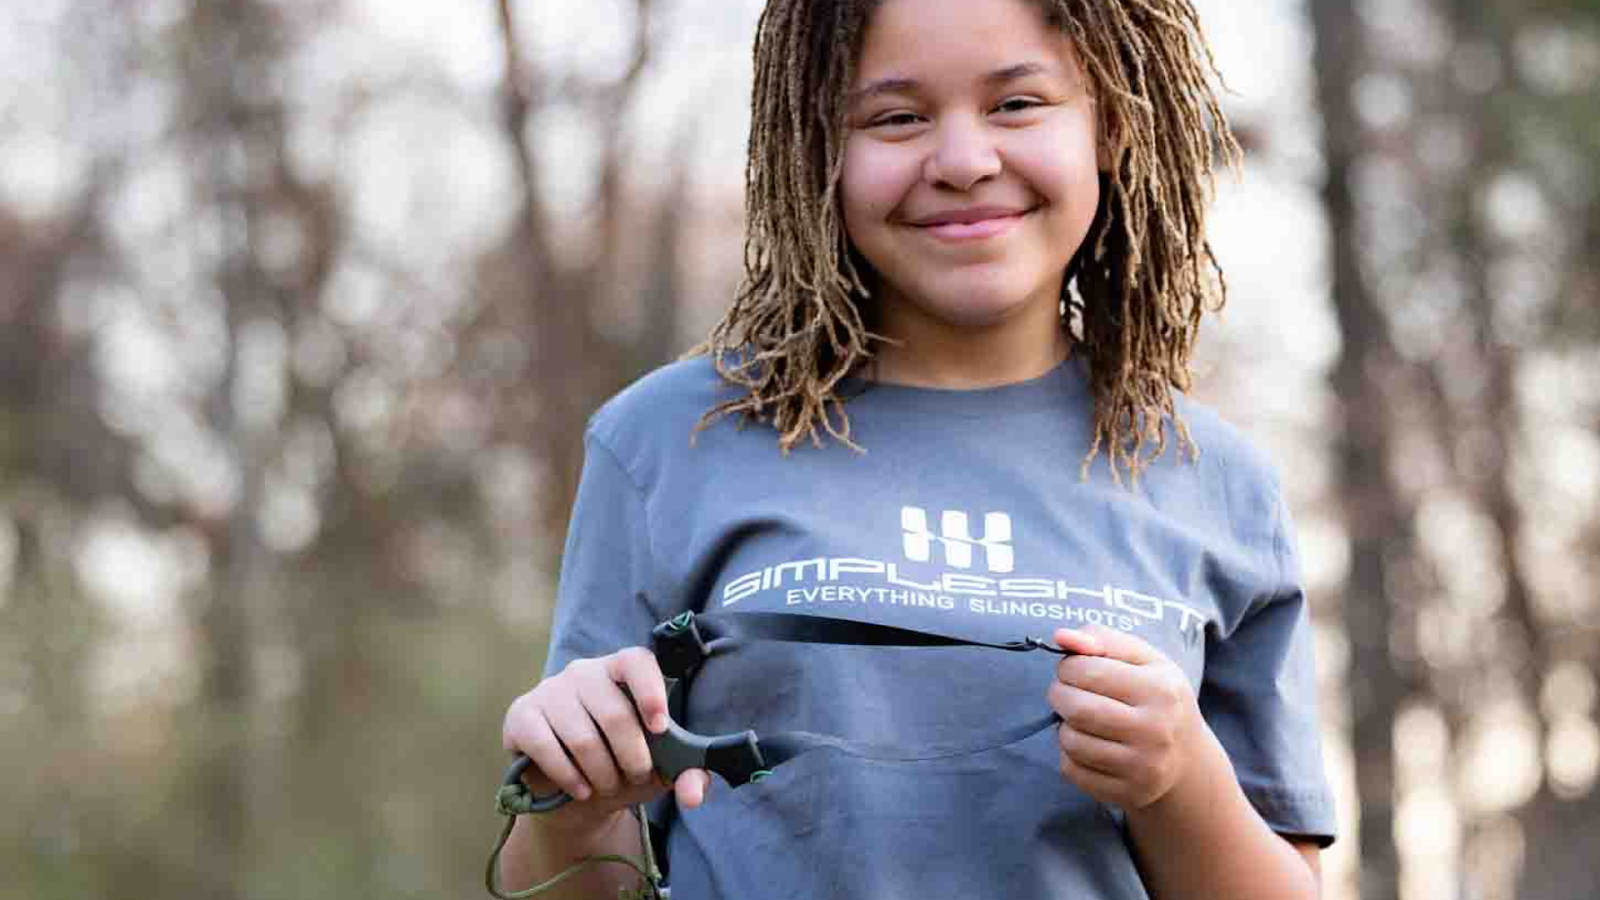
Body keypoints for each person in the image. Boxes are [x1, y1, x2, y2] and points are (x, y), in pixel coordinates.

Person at [498, 0, 1338, 896]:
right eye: (896, 118)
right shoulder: (668, 441)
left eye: (1017, 104)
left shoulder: (1220, 484)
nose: (965, 162)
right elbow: (570, 871)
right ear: (818, 148)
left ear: (1112, 125)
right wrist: (575, 801)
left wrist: (1182, 783)